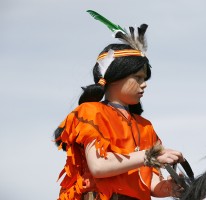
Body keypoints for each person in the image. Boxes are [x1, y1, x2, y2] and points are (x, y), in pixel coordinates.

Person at [54, 10, 185, 200]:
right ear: (115, 77)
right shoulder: (91, 112)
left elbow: (150, 184)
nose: (144, 83)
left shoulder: (146, 126)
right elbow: (98, 166)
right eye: (138, 77)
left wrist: (169, 188)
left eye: (145, 78)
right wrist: (149, 156)